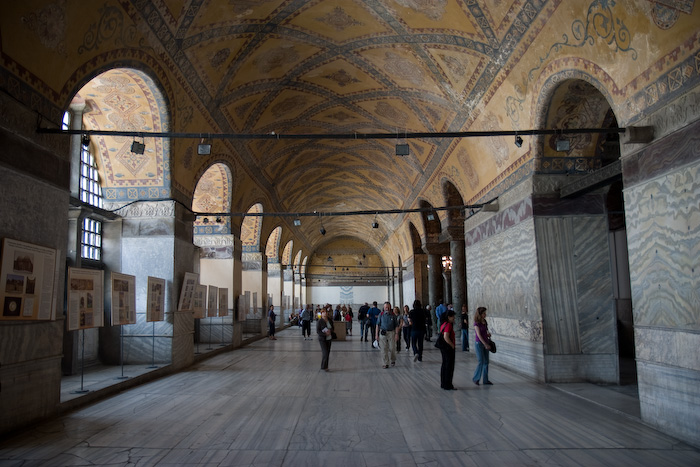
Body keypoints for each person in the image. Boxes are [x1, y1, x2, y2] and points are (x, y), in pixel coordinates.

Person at [472, 306, 493, 385]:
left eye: (485, 313)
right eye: (484, 313)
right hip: (479, 343)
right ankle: (476, 378)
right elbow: (479, 335)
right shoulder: (476, 323)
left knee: (486, 362)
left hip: (486, 342)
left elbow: (485, 332)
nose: (485, 314)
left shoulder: (485, 321)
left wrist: (488, 335)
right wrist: (485, 344)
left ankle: (485, 380)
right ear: (480, 314)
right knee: (481, 361)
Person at [376, 302, 399, 368]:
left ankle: (393, 359)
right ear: (384, 307)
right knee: (383, 348)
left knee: (392, 348)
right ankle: (385, 363)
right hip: (383, 332)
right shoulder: (381, 314)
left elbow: (396, 325)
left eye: (388, 307)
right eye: (386, 307)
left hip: (391, 332)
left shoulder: (393, 315)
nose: (387, 309)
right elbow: (377, 325)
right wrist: (376, 335)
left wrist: (396, 334)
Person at [439, 309, 456, 390]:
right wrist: (452, 345)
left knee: (445, 365)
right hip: (448, 347)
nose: (454, 318)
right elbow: (446, 336)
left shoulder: (443, 324)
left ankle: (444, 383)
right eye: (453, 317)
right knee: (449, 366)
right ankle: (448, 384)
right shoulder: (448, 325)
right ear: (449, 317)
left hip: (444, 348)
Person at [316, 307, 334, 371]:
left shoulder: (329, 320)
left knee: (328, 353)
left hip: (329, 338)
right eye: (323, 312)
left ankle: (325, 366)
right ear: (321, 313)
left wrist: (330, 331)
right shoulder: (320, 321)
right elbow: (318, 331)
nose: (325, 313)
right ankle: (323, 366)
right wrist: (325, 334)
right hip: (322, 339)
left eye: (326, 312)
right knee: (325, 353)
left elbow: (332, 327)